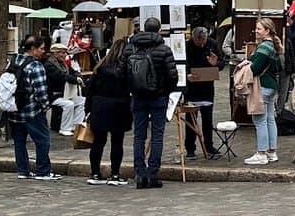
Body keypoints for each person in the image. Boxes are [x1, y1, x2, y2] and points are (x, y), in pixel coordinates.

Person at [122, 17, 178, 189]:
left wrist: (131, 89)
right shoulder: (164, 49)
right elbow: (172, 75)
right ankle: (153, 173)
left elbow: (122, 71)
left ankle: (139, 172)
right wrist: (165, 91)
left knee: (139, 135)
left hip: (138, 96)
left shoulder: (130, 47)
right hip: (158, 97)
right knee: (157, 135)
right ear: (159, 30)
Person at [9, 36, 61, 181]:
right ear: (32, 49)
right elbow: (40, 91)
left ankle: (23, 170)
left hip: (14, 110)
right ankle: (43, 171)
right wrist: (45, 107)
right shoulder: (35, 66)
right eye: (41, 48)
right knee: (43, 140)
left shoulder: (13, 61)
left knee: (19, 142)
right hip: (32, 111)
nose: (43, 51)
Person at [83, 38, 131, 185]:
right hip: (119, 106)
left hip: (100, 106)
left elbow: (89, 91)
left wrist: (88, 109)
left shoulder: (100, 68)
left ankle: (95, 173)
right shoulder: (125, 71)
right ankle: (115, 174)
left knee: (98, 142)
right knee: (117, 142)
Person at [245, 16, 283, 166]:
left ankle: (261, 153)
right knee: (269, 119)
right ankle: (272, 152)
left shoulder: (263, 47)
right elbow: (279, 67)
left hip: (262, 86)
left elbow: (255, 69)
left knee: (259, 120)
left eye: (259, 28)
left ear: (267, 30)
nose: (256, 31)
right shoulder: (273, 46)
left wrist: (246, 65)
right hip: (272, 86)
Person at [184, 26, 224, 160]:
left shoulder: (212, 44)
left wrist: (215, 64)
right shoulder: (187, 46)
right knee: (191, 119)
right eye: (198, 42)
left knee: (207, 118)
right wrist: (187, 75)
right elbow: (183, 64)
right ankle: (190, 147)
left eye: (203, 42)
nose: (201, 44)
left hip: (207, 87)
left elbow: (221, 63)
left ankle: (209, 145)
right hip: (192, 87)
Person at [45, 44, 85, 136]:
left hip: (65, 94)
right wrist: (75, 79)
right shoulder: (49, 65)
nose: (65, 55)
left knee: (82, 101)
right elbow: (61, 76)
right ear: (55, 54)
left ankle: (76, 125)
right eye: (62, 53)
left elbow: (73, 72)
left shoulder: (63, 64)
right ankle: (65, 128)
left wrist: (78, 76)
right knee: (69, 104)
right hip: (53, 95)